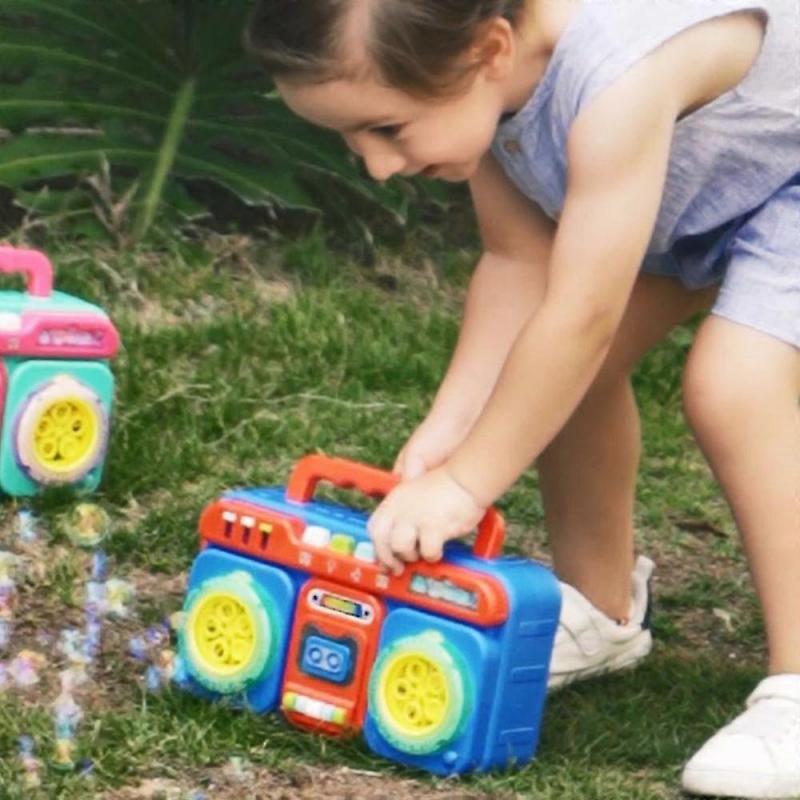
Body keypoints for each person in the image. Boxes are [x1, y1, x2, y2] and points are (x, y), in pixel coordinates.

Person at [244, 1, 800, 796]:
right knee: (558, 379)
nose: (375, 165)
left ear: (488, 47)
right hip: (717, 186)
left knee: (732, 383)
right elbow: (517, 266)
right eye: (350, 138)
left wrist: (469, 483)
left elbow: (581, 316)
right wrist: (452, 429)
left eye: (389, 129)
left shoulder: (618, 78)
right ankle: (602, 610)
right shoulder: (491, 82)